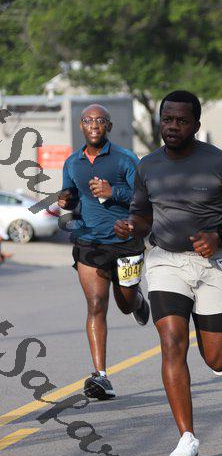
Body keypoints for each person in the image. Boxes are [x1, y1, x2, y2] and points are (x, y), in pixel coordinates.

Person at [115, 90, 222, 456]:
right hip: (165, 262)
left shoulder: (221, 164)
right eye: (167, 119)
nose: (172, 126)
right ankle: (187, 437)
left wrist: (221, 237)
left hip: (214, 264)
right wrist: (131, 225)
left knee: (216, 359)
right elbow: (143, 216)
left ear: (196, 125)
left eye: (181, 121)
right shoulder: (147, 166)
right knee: (172, 342)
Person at [58, 104, 149, 401]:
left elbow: (144, 199)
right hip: (89, 242)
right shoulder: (72, 163)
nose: (94, 125)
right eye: (88, 120)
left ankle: (138, 301)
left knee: (125, 303)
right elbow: (72, 196)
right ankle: (101, 376)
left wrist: (114, 192)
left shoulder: (125, 159)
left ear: (108, 126)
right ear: (81, 126)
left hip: (126, 241)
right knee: (96, 304)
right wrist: (66, 200)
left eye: (100, 121)